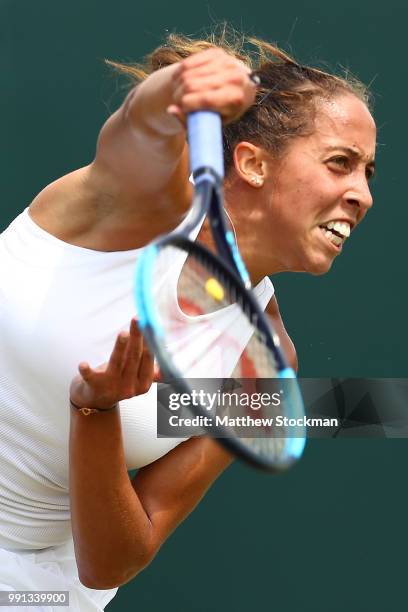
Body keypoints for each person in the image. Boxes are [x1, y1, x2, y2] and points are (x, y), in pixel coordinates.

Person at [0, 30, 376, 611]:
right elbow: (139, 126)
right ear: (251, 163)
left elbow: (114, 560)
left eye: (367, 173)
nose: (362, 195)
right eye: (340, 164)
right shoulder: (138, 202)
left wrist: (95, 412)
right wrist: (177, 88)